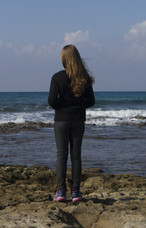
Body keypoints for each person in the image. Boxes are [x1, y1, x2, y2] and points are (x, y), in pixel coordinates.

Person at [48, 44, 95, 202]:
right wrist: (77, 106)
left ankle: (61, 191)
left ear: (64, 59)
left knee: (62, 155)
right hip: (78, 120)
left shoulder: (58, 77)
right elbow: (91, 101)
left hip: (61, 120)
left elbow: (52, 101)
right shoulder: (84, 78)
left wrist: (63, 106)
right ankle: (75, 192)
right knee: (76, 156)